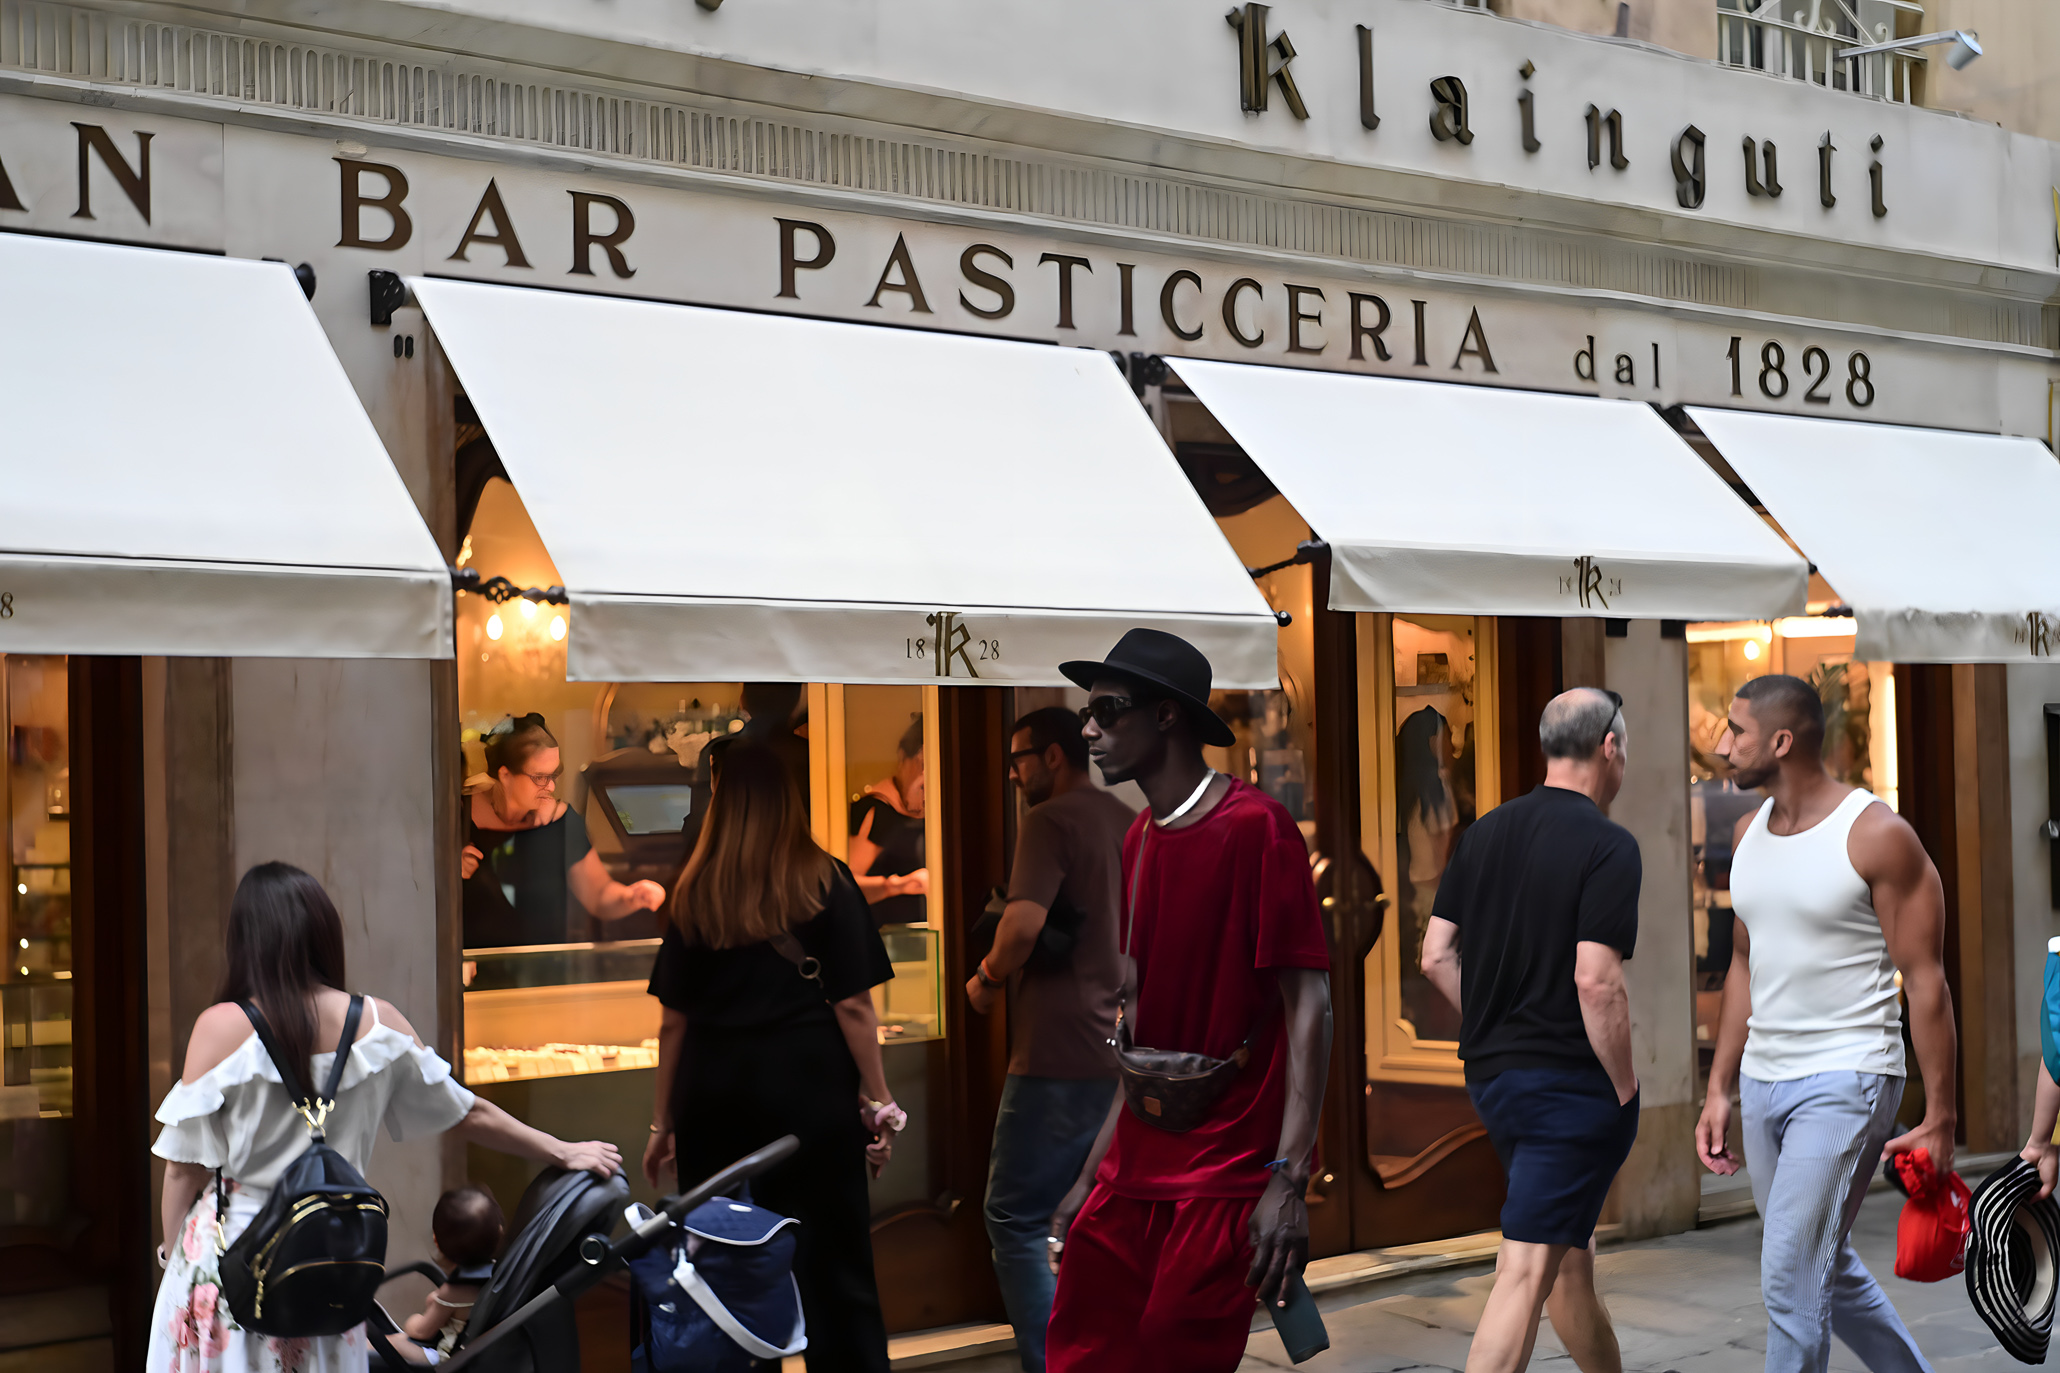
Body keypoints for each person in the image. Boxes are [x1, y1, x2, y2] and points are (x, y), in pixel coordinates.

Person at [150, 862, 622, 1373]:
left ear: (244, 940)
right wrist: (562, 1149)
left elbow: (183, 1168)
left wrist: (173, 1259)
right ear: (324, 933)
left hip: (234, 1266)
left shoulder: (220, 1027)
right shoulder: (379, 1023)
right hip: (327, 1259)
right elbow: (467, 1113)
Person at [1042, 629, 1332, 1373]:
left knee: (1176, 1350)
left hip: (1228, 1162)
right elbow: (1137, 1032)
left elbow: (1309, 1007)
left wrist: (1287, 1176)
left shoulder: (1257, 829)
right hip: (1137, 1159)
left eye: (1108, 709)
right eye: (1088, 711)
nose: (1088, 728)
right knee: (1084, 1349)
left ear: (1166, 716)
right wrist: (1088, 1175)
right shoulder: (1139, 836)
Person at [1694, 673, 1954, 1373]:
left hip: (1848, 1074)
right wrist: (1720, 1086)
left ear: (1781, 741)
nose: (1722, 746)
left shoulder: (1875, 834)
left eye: (1736, 731)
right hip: (1764, 1079)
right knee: (1820, 1262)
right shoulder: (1748, 834)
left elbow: (1926, 978)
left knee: (1787, 1270)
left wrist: (1941, 1116)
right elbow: (1744, 962)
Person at [642, 741, 898, 1373]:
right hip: (808, 1100)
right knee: (835, 1272)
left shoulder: (695, 888)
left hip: (713, 1097)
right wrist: (880, 1097)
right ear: (789, 797)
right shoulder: (825, 879)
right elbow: (855, 1009)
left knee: (724, 1268)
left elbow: (674, 1022)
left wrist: (662, 1122)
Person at [1418, 687, 1641, 1373]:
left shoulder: (1482, 832)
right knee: (1522, 1269)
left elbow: (1433, 955)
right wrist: (1626, 1085)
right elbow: (1596, 980)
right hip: (1569, 1089)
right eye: (1624, 749)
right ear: (1609, 746)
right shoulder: (1609, 844)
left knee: (1567, 1268)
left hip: (1494, 1077)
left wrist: (1496, 1020)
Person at [964, 705, 1129, 1373]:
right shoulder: (1125, 819)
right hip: (1115, 1042)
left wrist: (985, 979)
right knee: (1090, 1216)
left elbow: (1023, 926)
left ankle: (1053, 1363)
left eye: (1019, 759)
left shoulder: (1048, 820)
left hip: (1054, 1046)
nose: (1012, 773)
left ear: (1055, 755)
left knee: (1016, 1216)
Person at [462, 712, 667, 947]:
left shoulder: (560, 821)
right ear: (505, 775)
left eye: (554, 774)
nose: (550, 786)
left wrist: (631, 897)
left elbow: (600, 895)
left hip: (548, 972)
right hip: (475, 973)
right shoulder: (457, 818)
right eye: (539, 777)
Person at [398, 1186, 505, 1358]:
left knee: (390, 1342)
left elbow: (422, 1332)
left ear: (437, 1242)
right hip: (476, 1350)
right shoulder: (500, 1271)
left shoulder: (453, 1292)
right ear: (499, 1230)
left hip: (448, 1359)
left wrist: (412, 1321)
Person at [847, 714, 929, 926]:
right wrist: (900, 885)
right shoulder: (876, 810)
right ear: (902, 759)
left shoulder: (938, 814)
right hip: (885, 934)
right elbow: (847, 886)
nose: (925, 775)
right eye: (921, 762)